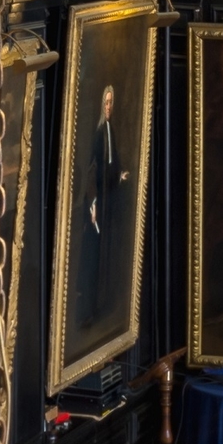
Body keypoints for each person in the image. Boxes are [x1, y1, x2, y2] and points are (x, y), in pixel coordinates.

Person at [73, 75, 131, 340]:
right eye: (106, 103)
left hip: (108, 204)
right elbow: (91, 172)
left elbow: (111, 165)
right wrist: (93, 205)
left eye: (112, 103)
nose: (109, 107)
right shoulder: (98, 133)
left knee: (105, 255)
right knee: (92, 258)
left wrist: (120, 176)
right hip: (96, 207)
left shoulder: (111, 131)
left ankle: (100, 306)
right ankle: (87, 311)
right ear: (101, 105)